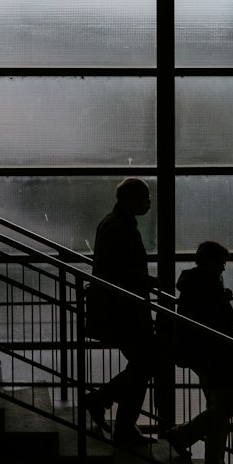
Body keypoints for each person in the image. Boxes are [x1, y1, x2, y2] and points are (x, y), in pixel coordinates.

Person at [170, 240, 233, 464]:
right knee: (227, 406)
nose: (223, 268)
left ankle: (213, 461)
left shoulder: (197, 284)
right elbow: (214, 322)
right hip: (215, 355)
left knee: (220, 407)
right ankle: (183, 436)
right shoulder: (205, 287)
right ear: (209, 261)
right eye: (221, 262)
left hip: (206, 355)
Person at [84, 177, 157, 450]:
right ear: (130, 199)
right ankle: (115, 417)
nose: (149, 203)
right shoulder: (118, 226)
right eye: (145, 197)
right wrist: (143, 281)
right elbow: (110, 270)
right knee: (145, 364)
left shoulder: (116, 223)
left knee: (143, 365)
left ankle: (110, 410)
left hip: (122, 309)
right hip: (124, 310)